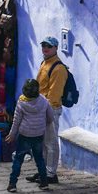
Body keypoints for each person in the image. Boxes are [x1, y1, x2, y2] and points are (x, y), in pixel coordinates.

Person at [29, 36, 67, 185]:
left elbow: (54, 94)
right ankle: (42, 170)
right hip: (40, 108)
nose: (45, 48)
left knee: (50, 142)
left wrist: (46, 111)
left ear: (56, 48)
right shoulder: (44, 63)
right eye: (44, 45)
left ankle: (51, 173)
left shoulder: (58, 68)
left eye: (49, 46)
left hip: (50, 109)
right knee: (42, 142)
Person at [5, 78, 55, 192]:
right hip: (38, 135)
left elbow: (16, 121)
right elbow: (51, 117)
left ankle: (12, 184)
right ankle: (44, 183)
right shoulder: (44, 101)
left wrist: (12, 134)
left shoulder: (21, 102)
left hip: (24, 136)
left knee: (18, 159)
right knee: (39, 159)